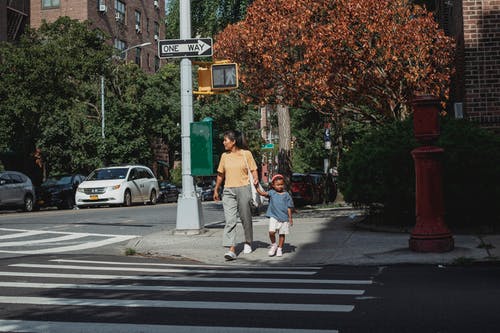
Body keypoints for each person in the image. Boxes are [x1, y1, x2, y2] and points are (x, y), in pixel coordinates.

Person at [213, 130, 259, 261]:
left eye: (225, 140)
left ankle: (248, 242)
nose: (223, 142)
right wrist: (216, 189)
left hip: (243, 188)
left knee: (246, 217)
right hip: (228, 190)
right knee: (230, 220)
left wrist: (255, 179)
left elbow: (253, 169)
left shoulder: (246, 154)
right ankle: (231, 249)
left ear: (233, 142)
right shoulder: (224, 156)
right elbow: (220, 174)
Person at [255, 174, 294, 257]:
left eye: (281, 184)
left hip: (284, 218)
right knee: (271, 232)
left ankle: (280, 248)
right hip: (274, 216)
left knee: (281, 234)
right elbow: (262, 193)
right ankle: (274, 244)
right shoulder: (272, 193)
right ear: (273, 185)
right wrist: (256, 187)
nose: (280, 186)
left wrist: (290, 218)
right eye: (278, 185)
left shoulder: (286, 195)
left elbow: (289, 208)